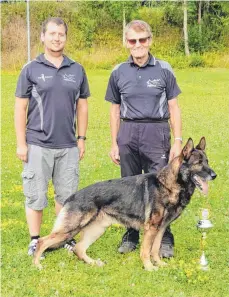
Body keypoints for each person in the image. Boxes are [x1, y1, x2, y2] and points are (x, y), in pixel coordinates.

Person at [105, 20, 182, 258]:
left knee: (163, 187)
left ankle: (165, 236)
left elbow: (174, 106)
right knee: (129, 185)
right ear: (126, 43)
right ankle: (131, 234)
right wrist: (114, 142)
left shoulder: (164, 68)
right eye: (132, 40)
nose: (137, 45)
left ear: (149, 40)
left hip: (156, 132)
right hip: (128, 132)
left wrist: (177, 140)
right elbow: (114, 110)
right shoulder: (118, 71)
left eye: (142, 40)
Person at [15, 17, 90, 257]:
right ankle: (35, 240)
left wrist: (81, 139)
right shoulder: (31, 69)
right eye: (52, 33)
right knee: (36, 196)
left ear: (66, 38)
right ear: (42, 36)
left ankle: (64, 238)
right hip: (37, 144)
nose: (57, 38)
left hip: (68, 145)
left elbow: (83, 106)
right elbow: (20, 107)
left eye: (61, 34)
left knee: (66, 198)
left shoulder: (77, 69)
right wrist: (21, 143)